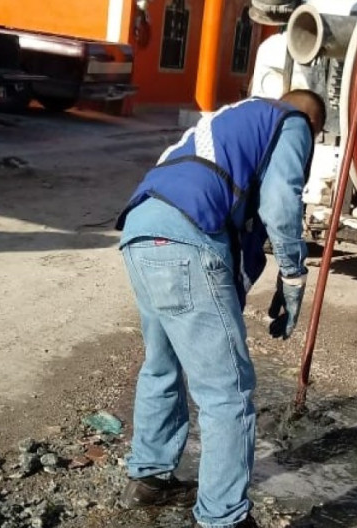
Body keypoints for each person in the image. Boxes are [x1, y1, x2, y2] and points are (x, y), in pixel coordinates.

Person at [113, 89, 326, 528]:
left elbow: (236, 230)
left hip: (140, 228)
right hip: (188, 234)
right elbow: (281, 205)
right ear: (312, 124)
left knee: (161, 364)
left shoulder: (227, 122)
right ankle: (223, 517)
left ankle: (149, 479)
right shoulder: (292, 120)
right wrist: (293, 274)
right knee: (227, 392)